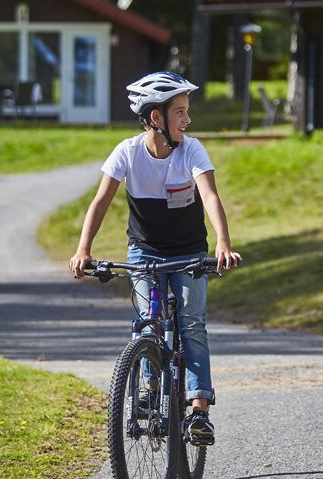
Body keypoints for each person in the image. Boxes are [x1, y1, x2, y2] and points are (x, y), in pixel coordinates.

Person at [69, 71, 242, 446]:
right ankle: (147, 388)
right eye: (179, 112)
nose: (187, 119)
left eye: (186, 111)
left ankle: (198, 411)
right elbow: (100, 202)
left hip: (189, 251)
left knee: (191, 323)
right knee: (148, 322)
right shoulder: (127, 152)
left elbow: (210, 196)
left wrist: (223, 242)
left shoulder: (192, 150)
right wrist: (83, 249)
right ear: (155, 118)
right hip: (145, 250)